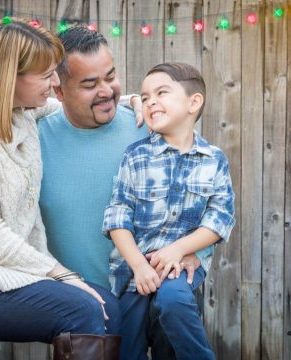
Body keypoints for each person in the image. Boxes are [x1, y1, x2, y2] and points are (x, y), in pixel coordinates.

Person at [0, 18, 122, 359]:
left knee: (105, 304)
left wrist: (137, 100)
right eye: (47, 75)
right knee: (82, 310)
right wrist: (62, 274)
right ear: (10, 77)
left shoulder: (19, 108)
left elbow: (67, 103)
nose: (55, 83)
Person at [38, 27, 205, 359]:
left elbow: (199, 195)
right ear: (58, 89)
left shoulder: (149, 125)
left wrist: (196, 252)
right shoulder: (34, 139)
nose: (105, 91)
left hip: (159, 286)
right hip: (86, 309)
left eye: (110, 77)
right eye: (89, 84)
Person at [102, 62, 235, 360]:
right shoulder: (136, 157)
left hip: (182, 266)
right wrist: (139, 266)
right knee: (127, 345)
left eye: (161, 92)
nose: (151, 102)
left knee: (174, 303)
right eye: (146, 97)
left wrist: (178, 250)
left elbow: (219, 219)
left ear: (194, 102)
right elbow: (117, 217)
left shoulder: (213, 160)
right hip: (135, 271)